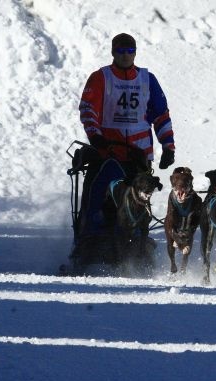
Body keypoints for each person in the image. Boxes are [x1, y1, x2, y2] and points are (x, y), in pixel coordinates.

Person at [73, 33, 176, 253]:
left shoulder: (148, 79)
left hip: (139, 155)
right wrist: (96, 137)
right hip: (108, 152)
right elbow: (88, 109)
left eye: (130, 51)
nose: (126, 56)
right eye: (121, 51)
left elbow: (161, 115)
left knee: (140, 197)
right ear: (113, 52)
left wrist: (168, 146)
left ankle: (138, 239)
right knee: (98, 189)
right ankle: (88, 234)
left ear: (135, 52)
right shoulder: (101, 77)